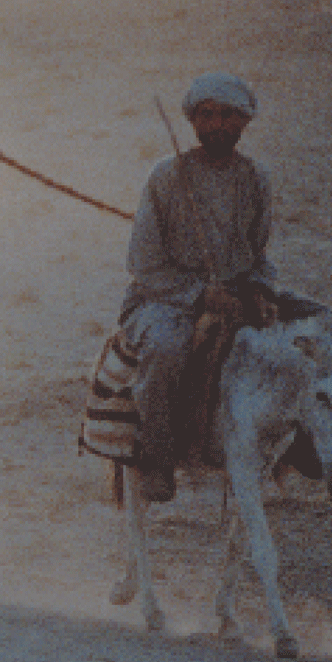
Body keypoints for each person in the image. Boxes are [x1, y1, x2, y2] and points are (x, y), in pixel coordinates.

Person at [118, 71, 274, 503]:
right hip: (164, 299)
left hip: (235, 294)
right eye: (207, 115)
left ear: (243, 122)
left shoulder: (256, 179)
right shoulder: (167, 176)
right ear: (193, 122)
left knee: (311, 332)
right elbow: (142, 262)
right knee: (167, 346)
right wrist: (199, 295)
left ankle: (292, 452)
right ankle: (155, 459)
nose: (217, 125)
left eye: (228, 116)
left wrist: (259, 289)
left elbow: (259, 252)